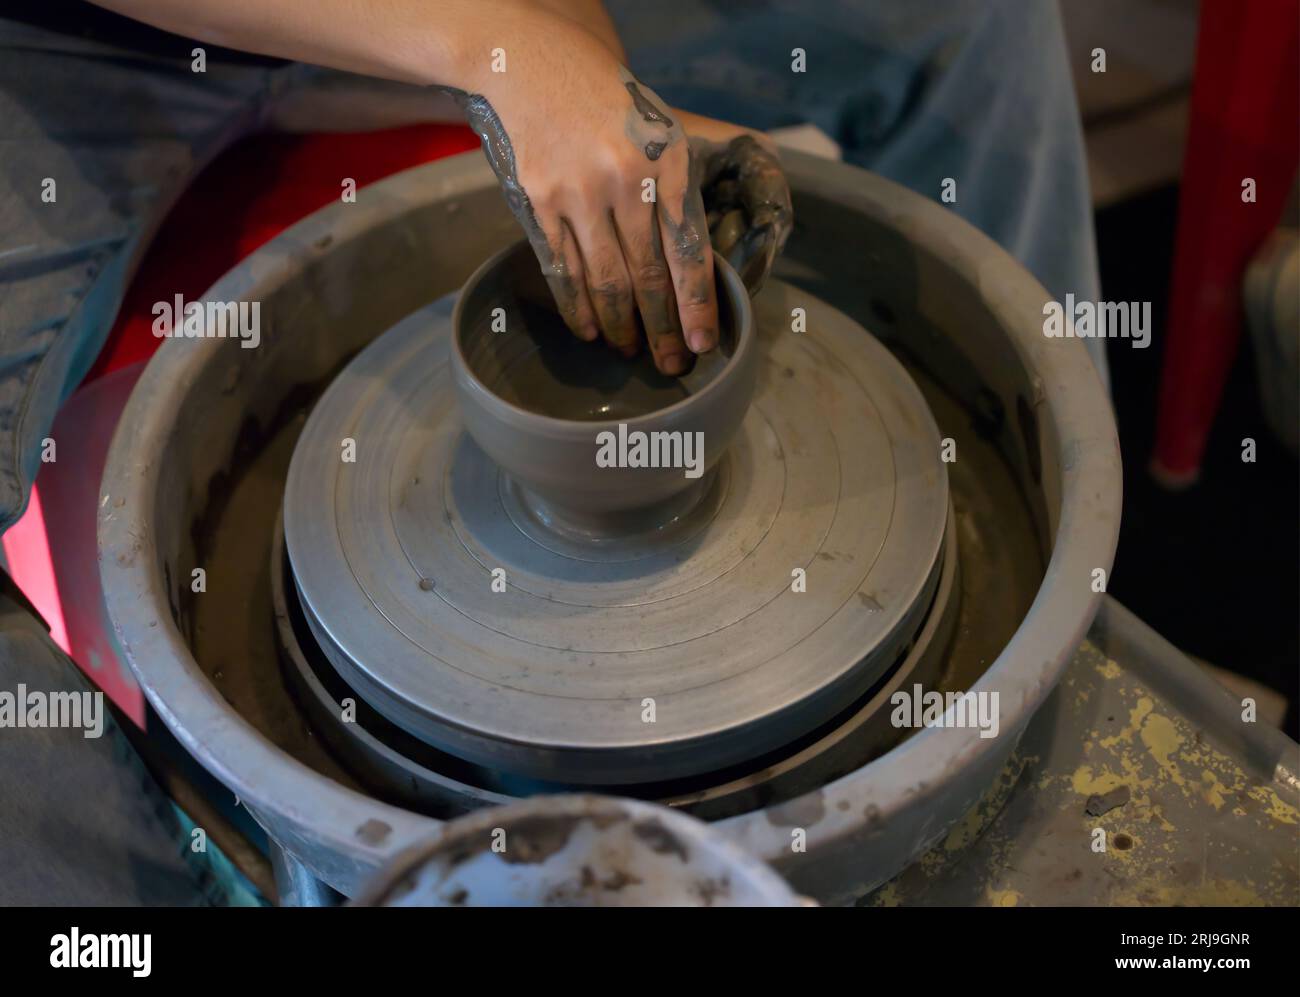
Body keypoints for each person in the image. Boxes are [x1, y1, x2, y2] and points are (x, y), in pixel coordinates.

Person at [0, 0, 1102, 904]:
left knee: (978, 24)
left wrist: (590, 83)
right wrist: (491, 49)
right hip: (65, 55)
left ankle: (1071, 657)